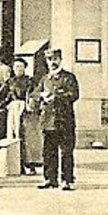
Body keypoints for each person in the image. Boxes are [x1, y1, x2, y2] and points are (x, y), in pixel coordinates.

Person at [35, 47, 81, 190]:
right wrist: (40, 96)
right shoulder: (45, 79)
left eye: (55, 59)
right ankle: (50, 179)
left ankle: (66, 180)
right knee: (49, 152)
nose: (52, 62)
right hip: (48, 121)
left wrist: (56, 97)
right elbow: (34, 94)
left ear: (60, 60)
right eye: (49, 60)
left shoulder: (68, 77)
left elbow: (74, 95)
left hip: (64, 120)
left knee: (66, 152)